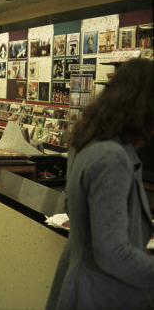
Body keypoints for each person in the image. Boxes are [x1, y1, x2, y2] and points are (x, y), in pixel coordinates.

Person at [46, 58, 154, 310]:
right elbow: (113, 253)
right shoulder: (112, 157)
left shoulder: (85, 141)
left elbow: (72, 208)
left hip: (79, 283)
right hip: (102, 293)